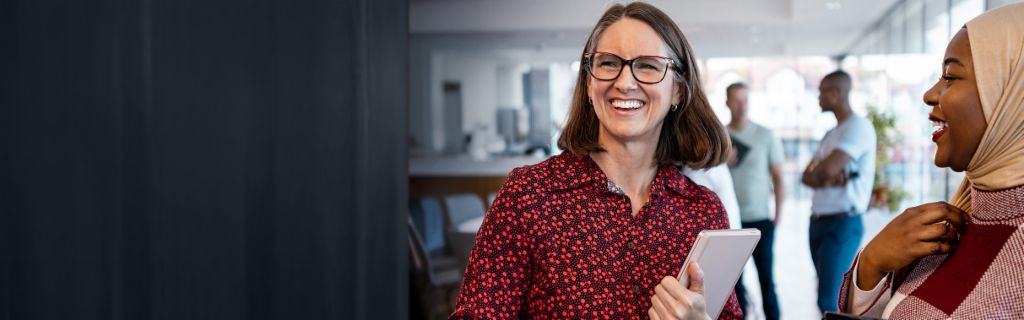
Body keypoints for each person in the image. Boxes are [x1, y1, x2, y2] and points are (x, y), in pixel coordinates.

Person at [449, 2, 741, 319]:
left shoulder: (702, 211)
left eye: (647, 65)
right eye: (608, 63)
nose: (625, 82)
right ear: (590, 83)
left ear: (678, 92)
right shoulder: (529, 195)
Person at [838, 4, 1024, 318]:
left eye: (950, 77)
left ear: (1010, 96)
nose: (929, 94)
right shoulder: (951, 224)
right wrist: (871, 263)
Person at [800, 70, 877, 313]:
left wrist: (823, 173)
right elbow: (807, 176)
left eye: (822, 91)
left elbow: (824, 170)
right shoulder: (831, 134)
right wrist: (824, 175)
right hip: (819, 222)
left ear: (836, 93)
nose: (819, 97)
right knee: (825, 296)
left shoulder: (859, 126)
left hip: (842, 224)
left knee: (829, 301)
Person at [724, 82, 784, 320]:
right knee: (734, 285)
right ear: (727, 103)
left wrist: (778, 215)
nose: (742, 106)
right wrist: (721, 161)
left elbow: (779, 177)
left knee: (766, 280)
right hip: (729, 223)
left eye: (745, 100)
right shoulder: (719, 136)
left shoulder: (765, 135)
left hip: (761, 219)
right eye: (736, 100)